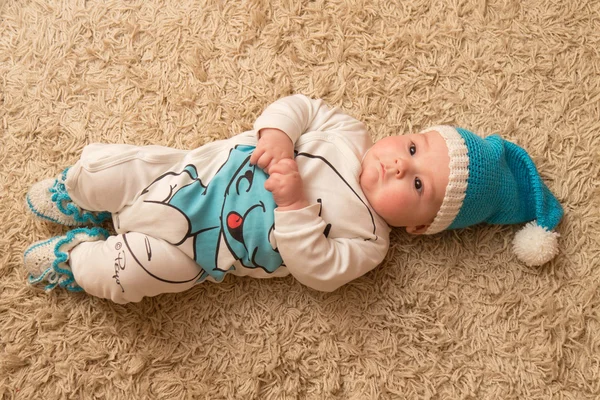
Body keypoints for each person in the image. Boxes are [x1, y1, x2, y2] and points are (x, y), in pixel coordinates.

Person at [24, 95, 564, 304]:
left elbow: (318, 269)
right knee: (110, 166)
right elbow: (300, 105)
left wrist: (296, 206)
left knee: (129, 277)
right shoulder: (348, 132)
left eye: (418, 185)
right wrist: (278, 135)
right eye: (415, 147)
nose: (401, 164)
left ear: (420, 228)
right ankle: (80, 193)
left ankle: (79, 259)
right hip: (186, 174)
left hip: (198, 251)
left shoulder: (369, 244)